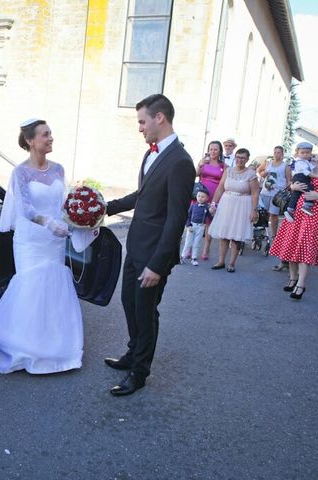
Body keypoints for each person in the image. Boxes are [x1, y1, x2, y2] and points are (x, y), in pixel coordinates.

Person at [104, 94, 195, 396]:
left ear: (160, 118)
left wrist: (158, 264)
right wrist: (105, 207)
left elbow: (175, 218)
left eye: (142, 121)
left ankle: (139, 372)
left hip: (154, 255)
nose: (140, 128)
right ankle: (132, 352)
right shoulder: (150, 154)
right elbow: (142, 196)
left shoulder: (181, 162)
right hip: (136, 246)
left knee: (146, 312)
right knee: (129, 304)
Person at [0, 119, 82, 374]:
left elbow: (63, 203)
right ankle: (24, 347)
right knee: (31, 288)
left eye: (51, 134)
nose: (51, 138)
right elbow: (25, 209)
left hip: (55, 240)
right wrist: (48, 223)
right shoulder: (20, 173)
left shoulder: (59, 169)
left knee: (52, 289)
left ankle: (54, 345)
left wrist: (80, 217)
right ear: (31, 141)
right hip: (31, 240)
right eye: (45, 135)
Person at [269, 140, 318, 300]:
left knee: (305, 246)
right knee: (291, 242)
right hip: (297, 207)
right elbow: (295, 180)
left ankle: (301, 284)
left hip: (314, 212)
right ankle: (292, 278)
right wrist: (293, 187)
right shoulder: (309, 163)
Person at [208, 148, 259, 272]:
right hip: (226, 203)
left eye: (242, 157)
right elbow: (220, 188)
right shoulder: (228, 171)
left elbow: (255, 194)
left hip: (242, 205)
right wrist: (214, 204)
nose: (239, 160)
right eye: (238, 157)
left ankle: (232, 263)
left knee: (236, 235)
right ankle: (221, 261)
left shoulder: (251, 174)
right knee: (224, 233)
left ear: (247, 159)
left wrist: (254, 210)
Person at [196, 140, 225, 260]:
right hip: (201, 193)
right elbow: (195, 174)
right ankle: (191, 247)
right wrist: (200, 164)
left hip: (214, 194)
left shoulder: (224, 166)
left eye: (215, 149)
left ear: (219, 151)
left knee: (209, 222)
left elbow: (223, 184)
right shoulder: (203, 162)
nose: (213, 151)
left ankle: (206, 248)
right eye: (211, 149)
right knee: (196, 220)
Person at [257, 146, 291, 240]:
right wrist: (263, 174)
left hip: (277, 194)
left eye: (279, 152)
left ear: (282, 154)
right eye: (275, 152)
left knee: (274, 214)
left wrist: (287, 190)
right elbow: (259, 171)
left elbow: (289, 180)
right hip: (265, 192)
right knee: (263, 213)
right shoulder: (268, 163)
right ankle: (262, 232)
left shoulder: (286, 166)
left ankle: (274, 235)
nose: (277, 154)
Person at [284, 141, 315, 221]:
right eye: (302, 153)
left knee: (296, 195)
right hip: (302, 177)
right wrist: (314, 175)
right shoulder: (300, 161)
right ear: (297, 153)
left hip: (298, 178)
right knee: (309, 188)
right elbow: (306, 171)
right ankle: (307, 205)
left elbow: (312, 167)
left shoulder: (307, 161)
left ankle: (290, 209)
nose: (305, 154)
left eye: (307, 153)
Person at [181, 190, 211, 266]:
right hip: (192, 226)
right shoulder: (193, 206)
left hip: (200, 227)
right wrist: (188, 225)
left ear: (207, 198)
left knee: (196, 243)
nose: (200, 198)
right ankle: (183, 257)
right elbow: (188, 216)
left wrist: (212, 212)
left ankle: (194, 258)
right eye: (199, 196)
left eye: (203, 196)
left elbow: (210, 217)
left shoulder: (206, 207)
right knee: (188, 242)